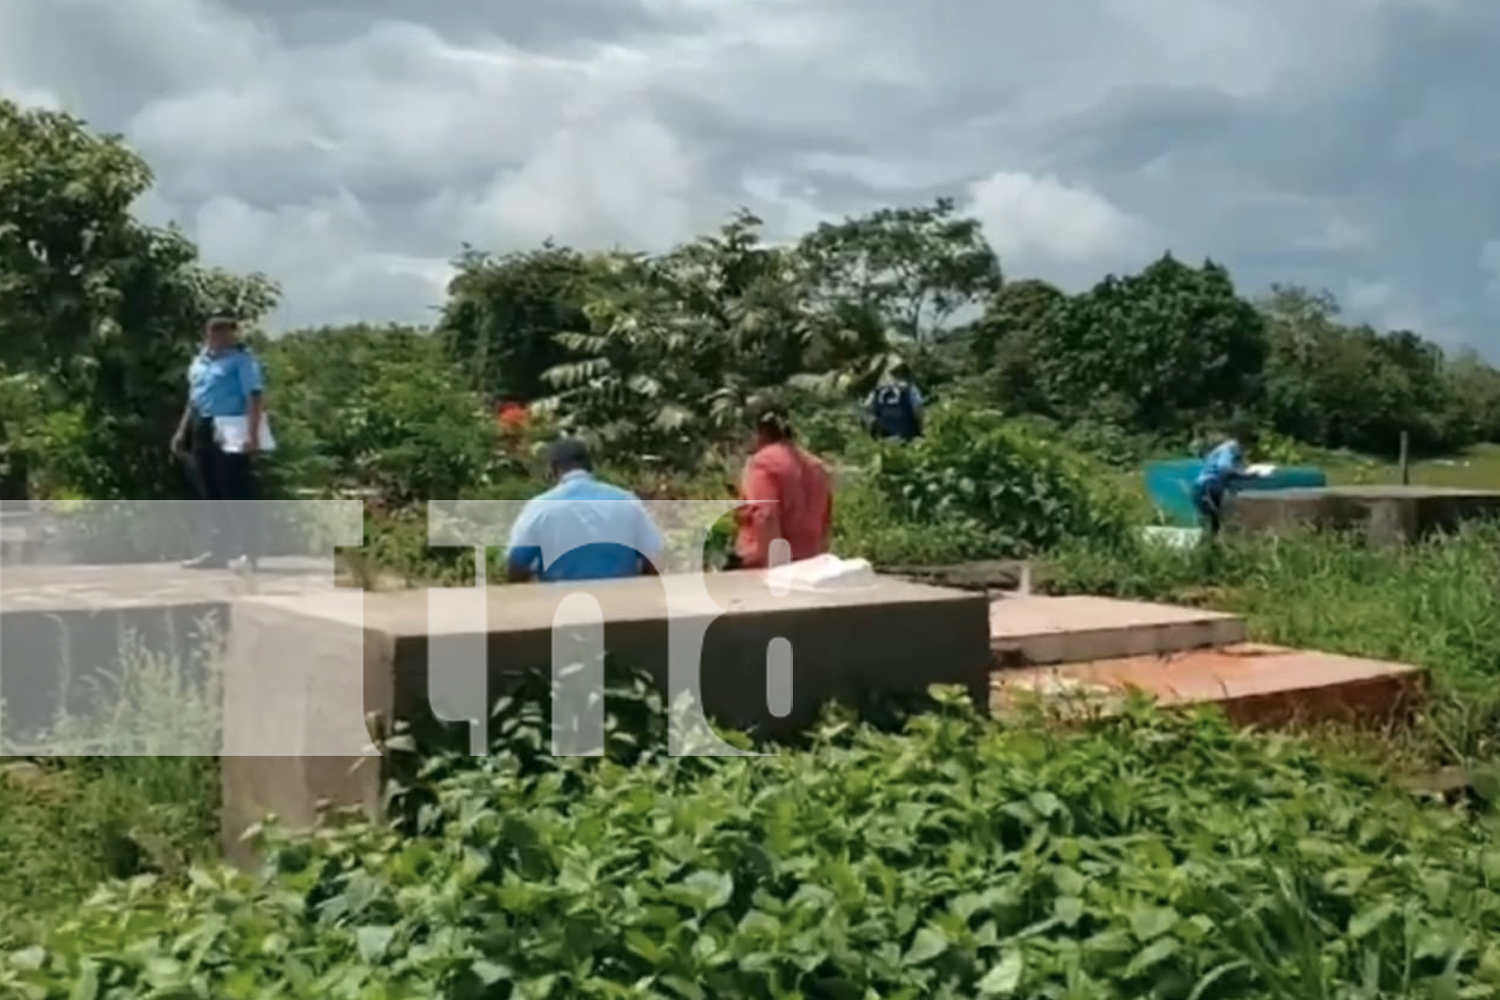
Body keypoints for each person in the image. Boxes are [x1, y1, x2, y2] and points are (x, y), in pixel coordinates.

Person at [171, 317, 265, 570]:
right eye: (216, 333)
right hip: (203, 425)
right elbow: (194, 399)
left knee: (234, 488)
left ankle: (248, 551)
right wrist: (182, 430)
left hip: (231, 425)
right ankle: (218, 550)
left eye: (227, 334)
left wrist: (252, 435)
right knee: (209, 489)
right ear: (208, 334)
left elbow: (253, 397)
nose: (221, 338)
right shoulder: (200, 362)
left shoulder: (242, 360)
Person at [505, 437, 664, 583]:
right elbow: (653, 557)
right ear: (590, 467)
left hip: (560, 605)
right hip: (621, 603)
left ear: (553, 470)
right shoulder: (626, 501)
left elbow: (516, 563)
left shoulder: (539, 507)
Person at [729, 396, 833, 570]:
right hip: (809, 569)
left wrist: (776, 571)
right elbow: (825, 526)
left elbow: (766, 515)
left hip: (766, 572)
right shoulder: (817, 466)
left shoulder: (762, 464)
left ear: (756, 430)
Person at [1193, 425, 1259, 537]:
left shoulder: (1227, 448)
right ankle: (1208, 548)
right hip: (1210, 485)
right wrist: (1246, 475)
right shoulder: (1231, 449)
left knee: (1213, 523)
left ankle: (1210, 547)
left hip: (1205, 485)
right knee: (1213, 523)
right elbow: (1224, 469)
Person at [864, 363, 924, 441]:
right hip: (907, 436)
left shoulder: (877, 391)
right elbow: (918, 410)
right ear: (908, 376)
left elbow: (866, 409)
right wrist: (920, 428)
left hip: (884, 438)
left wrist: (873, 425)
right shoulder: (910, 390)